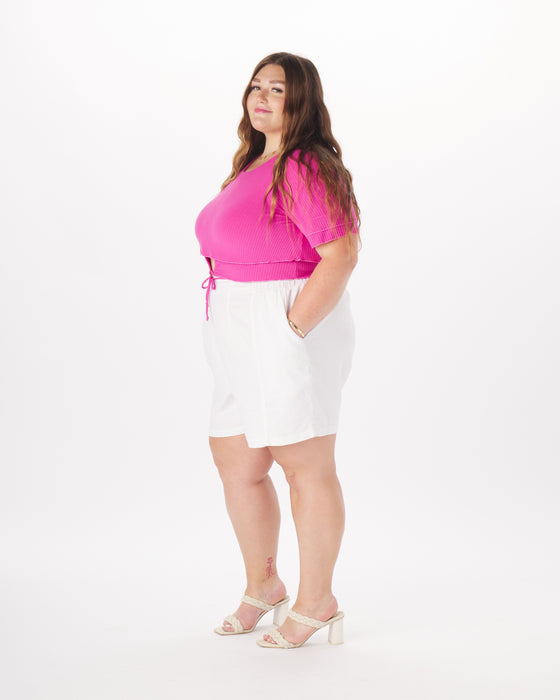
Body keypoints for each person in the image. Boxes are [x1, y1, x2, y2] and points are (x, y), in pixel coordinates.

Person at [194, 52, 361, 649]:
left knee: (303, 464)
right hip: (233, 323)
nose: (261, 96)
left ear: (303, 101)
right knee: (237, 460)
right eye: (256, 86)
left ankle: (318, 602)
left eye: (278, 89)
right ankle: (264, 584)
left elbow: (340, 254)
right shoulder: (252, 164)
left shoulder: (304, 166)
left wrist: (289, 330)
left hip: (284, 320)